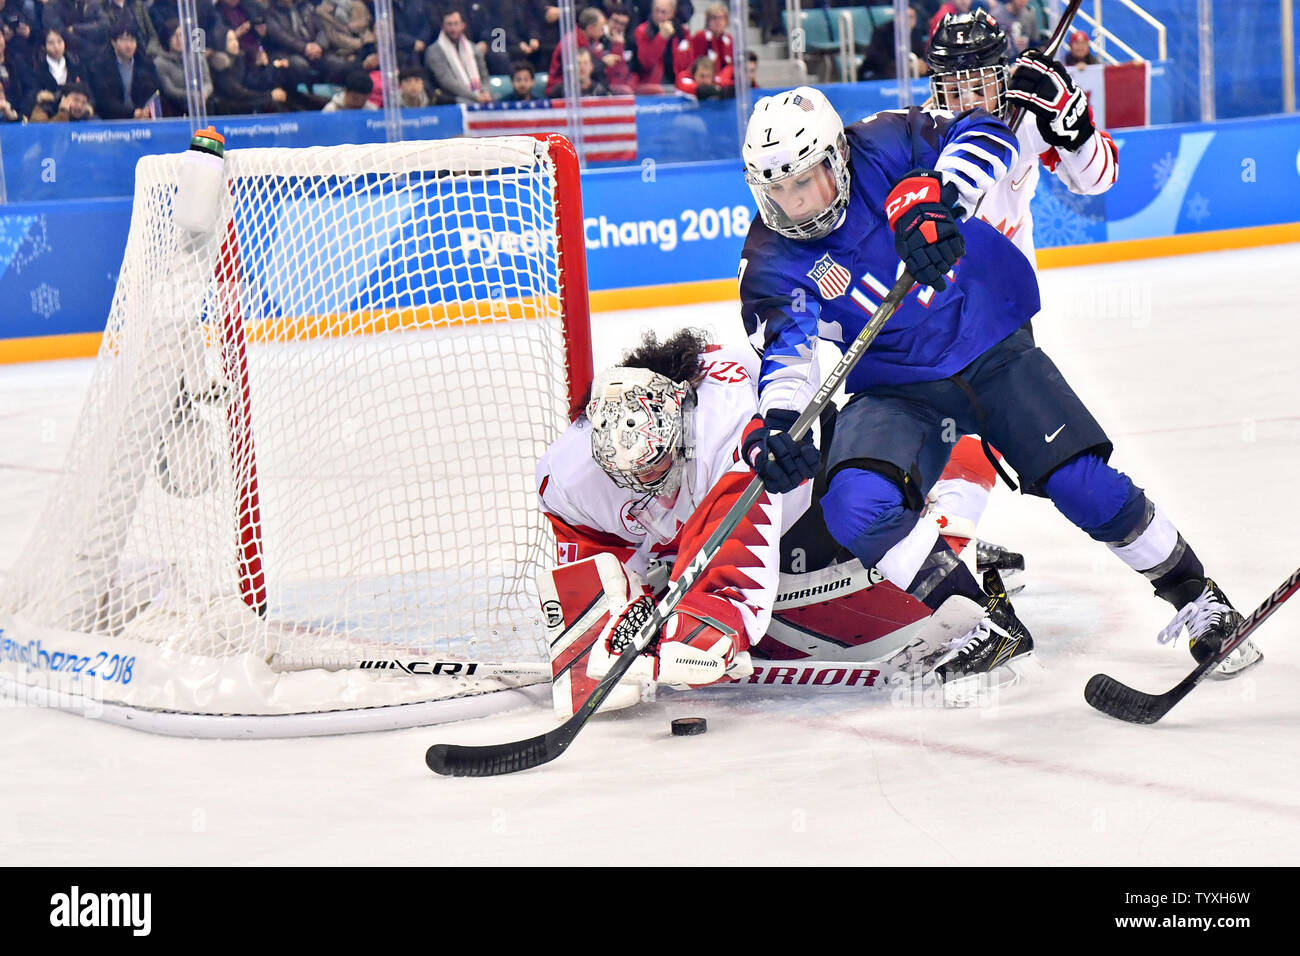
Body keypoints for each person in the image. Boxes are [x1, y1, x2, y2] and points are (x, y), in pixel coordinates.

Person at [737, 84, 1263, 689]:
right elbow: (788, 353)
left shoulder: (882, 141)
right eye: (776, 189)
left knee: (1080, 483)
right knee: (854, 503)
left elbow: (984, 130)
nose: (794, 203)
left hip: (988, 338)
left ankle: (1201, 598)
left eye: (805, 181)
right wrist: (777, 424)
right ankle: (980, 622)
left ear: (838, 157)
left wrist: (943, 198)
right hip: (897, 386)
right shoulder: (771, 259)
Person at [537, 328, 1019, 716]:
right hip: (703, 523)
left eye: (658, 464)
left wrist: (705, 631)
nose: (650, 480)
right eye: (636, 475)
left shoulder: (724, 425)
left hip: (801, 497)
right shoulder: (570, 474)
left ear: (681, 409)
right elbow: (589, 567)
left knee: (874, 501)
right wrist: (609, 614)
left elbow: (731, 563)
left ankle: (946, 539)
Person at [921, 10, 1117, 585]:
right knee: (922, 430)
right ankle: (933, 537)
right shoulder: (920, 133)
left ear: (1000, 76)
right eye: (952, 85)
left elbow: (1097, 179)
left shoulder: (1026, 123)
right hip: (928, 313)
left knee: (983, 431)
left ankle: (947, 546)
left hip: (1002, 310)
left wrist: (1073, 124)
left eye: (977, 82)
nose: (965, 97)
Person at [89, 22, 159, 118]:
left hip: (142, 118)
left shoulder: (145, 64)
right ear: (113, 42)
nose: (129, 45)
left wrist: (145, 111)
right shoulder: (100, 66)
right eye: (123, 40)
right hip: (111, 119)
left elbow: (153, 92)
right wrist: (132, 113)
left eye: (132, 40)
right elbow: (104, 101)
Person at [424, 7, 491, 104]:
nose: (453, 28)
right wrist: (475, 96)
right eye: (449, 24)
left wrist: (485, 92)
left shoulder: (473, 47)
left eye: (456, 24)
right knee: (466, 102)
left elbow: (484, 75)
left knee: (494, 97)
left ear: (463, 25)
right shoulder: (434, 51)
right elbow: (447, 82)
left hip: (478, 94)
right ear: (443, 27)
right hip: (450, 97)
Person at [153, 17, 212, 115]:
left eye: (182, 35)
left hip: (200, 104)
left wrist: (204, 93)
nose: (179, 40)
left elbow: (208, 82)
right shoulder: (159, 62)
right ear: (167, 38)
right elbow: (169, 90)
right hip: (175, 108)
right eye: (175, 36)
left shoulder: (197, 57)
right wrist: (193, 96)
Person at [631, 0, 690, 93]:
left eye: (663, 12)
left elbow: (688, 64)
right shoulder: (642, 31)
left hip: (677, 84)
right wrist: (661, 38)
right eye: (656, 11)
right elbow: (646, 63)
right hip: (652, 85)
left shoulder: (682, 32)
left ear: (672, 13)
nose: (659, 16)